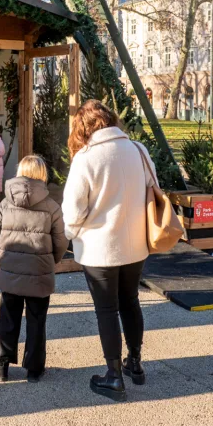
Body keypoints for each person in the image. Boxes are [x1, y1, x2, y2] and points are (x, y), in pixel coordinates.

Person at [62, 99, 156, 402]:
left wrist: (70, 235)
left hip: (100, 247)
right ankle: (135, 364)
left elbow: (73, 211)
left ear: (83, 127)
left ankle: (114, 376)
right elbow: (153, 186)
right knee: (130, 301)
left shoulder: (87, 158)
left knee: (106, 309)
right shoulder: (138, 150)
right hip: (136, 243)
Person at [0, 155, 69, 383]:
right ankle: (34, 368)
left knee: (8, 318)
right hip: (39, 273)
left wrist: (4, 258)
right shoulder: (52, 206)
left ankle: (0, 365)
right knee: (37, 320)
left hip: (10, 270)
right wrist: (51, 261)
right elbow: (61, 241)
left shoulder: (5, 202)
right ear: (42, 174)